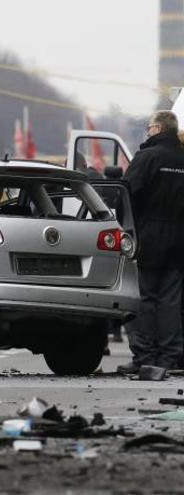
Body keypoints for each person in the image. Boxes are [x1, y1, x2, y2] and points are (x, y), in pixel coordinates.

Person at [118, 111, 184, 373]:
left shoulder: (147, 157)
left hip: (148, 237)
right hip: (180, 240)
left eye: (148, 128)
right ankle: (169, 358)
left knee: (144, 298)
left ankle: (145, 357)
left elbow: (126, 195)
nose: (147, 132)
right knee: (171, 301)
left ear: (157, 128)